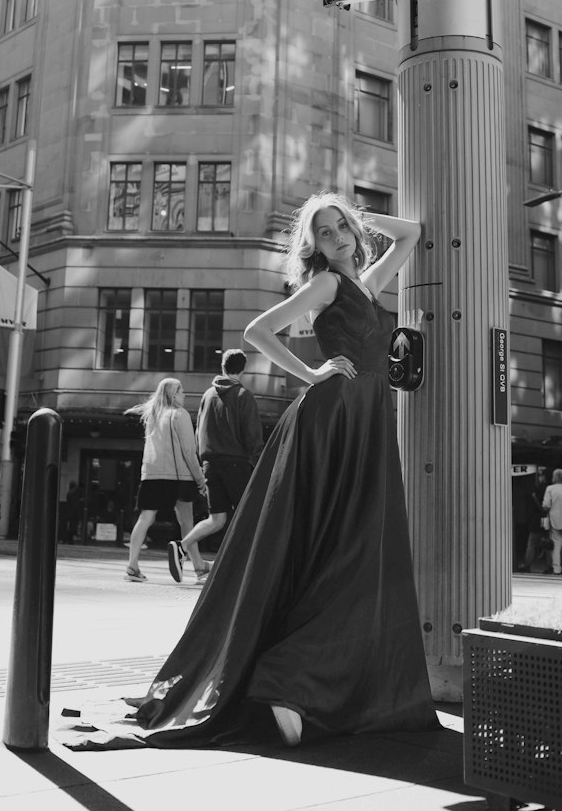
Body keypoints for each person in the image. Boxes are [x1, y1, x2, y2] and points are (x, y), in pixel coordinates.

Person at [129, 192, 438, 747]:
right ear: (312, 245)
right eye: (324, 232)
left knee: (349, 549)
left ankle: (302, 684)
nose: (339, 237)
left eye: (342, 228)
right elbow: (257, 331)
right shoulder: (327, 284)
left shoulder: (365, 282)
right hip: (334, 419)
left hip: (365, 422)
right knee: (338, 548)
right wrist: (312, 372)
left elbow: (411, 233)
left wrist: (351, 212)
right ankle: (285, 682)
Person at [168, 348, 263, 584]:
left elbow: (200, 430)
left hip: (211, 464)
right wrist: (261, 463)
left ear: (222, 367)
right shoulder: (244, 396)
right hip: (236, 464)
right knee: (248, 516)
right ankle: (238, 569)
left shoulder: (208, 395)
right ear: (243, 369)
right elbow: (253, 437)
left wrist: (203, 463)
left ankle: (183, 546)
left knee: (217, 518)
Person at [124, 379, 205, 582]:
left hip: (151, 475)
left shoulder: (152, 416)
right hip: (179, 476)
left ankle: (132, 566)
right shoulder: (180, 414)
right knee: (187, 522)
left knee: (145, 518)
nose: (184, 395)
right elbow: (189, 451)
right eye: (182, 391)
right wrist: (200, 479)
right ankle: (199, 568)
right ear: (174, 394)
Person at [521, 467, 550, 572]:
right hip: (547, 520)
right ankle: (550, 565)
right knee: (547, 543)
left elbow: (539, 507)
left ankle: (527, 564)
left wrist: (534, 498)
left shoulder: (536, 491)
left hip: (536, 519)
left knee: (532, 543)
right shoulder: (548, 489)